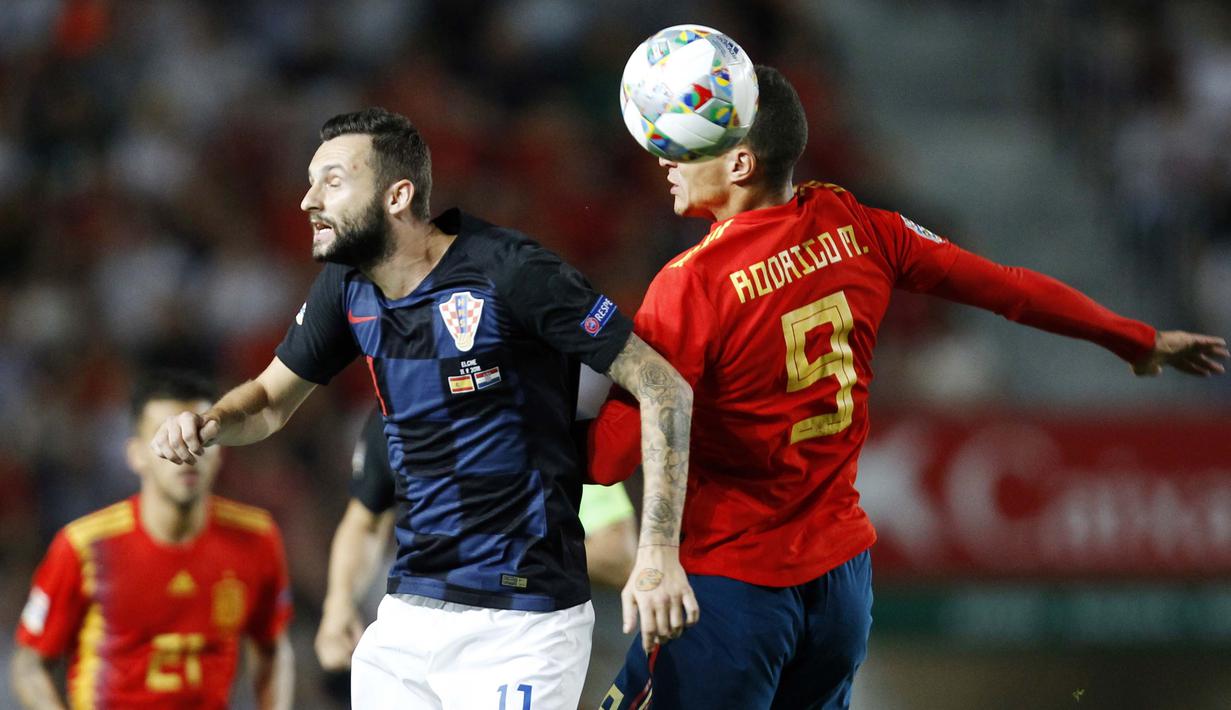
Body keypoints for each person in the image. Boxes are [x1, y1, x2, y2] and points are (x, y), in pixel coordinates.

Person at [587, 65, 1229, 709]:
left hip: (732, 592)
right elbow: (1007, 287)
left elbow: (611, 454)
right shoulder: (859, 225)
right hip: (840, 590)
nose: (665, 156)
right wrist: (1134, 339)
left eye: (687, 145)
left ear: (740, 164)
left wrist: (554, 387)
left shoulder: (692, 283)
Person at [150, 107, 697, 710]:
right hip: (409, 618)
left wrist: (657, 552)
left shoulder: (510, 271)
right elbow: (269, 402)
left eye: (331, 181)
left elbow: (662, 386)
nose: (308, 200)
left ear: (397, 195)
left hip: (524, 621)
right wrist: (211, 423)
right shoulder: (345, 287)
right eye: (310, 182)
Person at [11, 369, 294, 710]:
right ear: (135, 454)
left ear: (221, 452)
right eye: (167, 437)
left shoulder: (256, 538)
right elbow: (30, 664)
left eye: (201, 437)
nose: (187, 452)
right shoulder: (84, 546)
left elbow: (273, 648)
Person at [314, 408, 637, 672]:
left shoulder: (543, 418)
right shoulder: (394, 414)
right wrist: (338, 603)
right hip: (434, 642)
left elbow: (619, 554)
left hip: (539, 640)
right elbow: (364, 521)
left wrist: (492, 555)